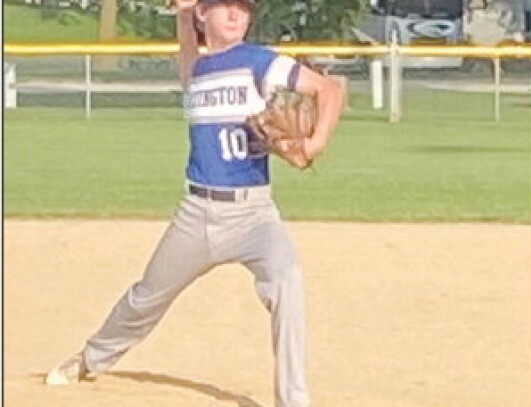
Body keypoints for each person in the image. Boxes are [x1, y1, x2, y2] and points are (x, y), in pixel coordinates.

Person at [45, 1, 344, 406]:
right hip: (197, 214)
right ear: (205, 16)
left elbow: (328, 89)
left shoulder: (260, 61)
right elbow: (189, 54)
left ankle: (293, 400)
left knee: (287, 281)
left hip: (255, 215)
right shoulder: (198, 71)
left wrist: (315, 142)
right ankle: (92, 358)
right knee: (146, 296)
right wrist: (185, 14)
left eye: (243, 7)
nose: (237, 15)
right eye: (224, 7)